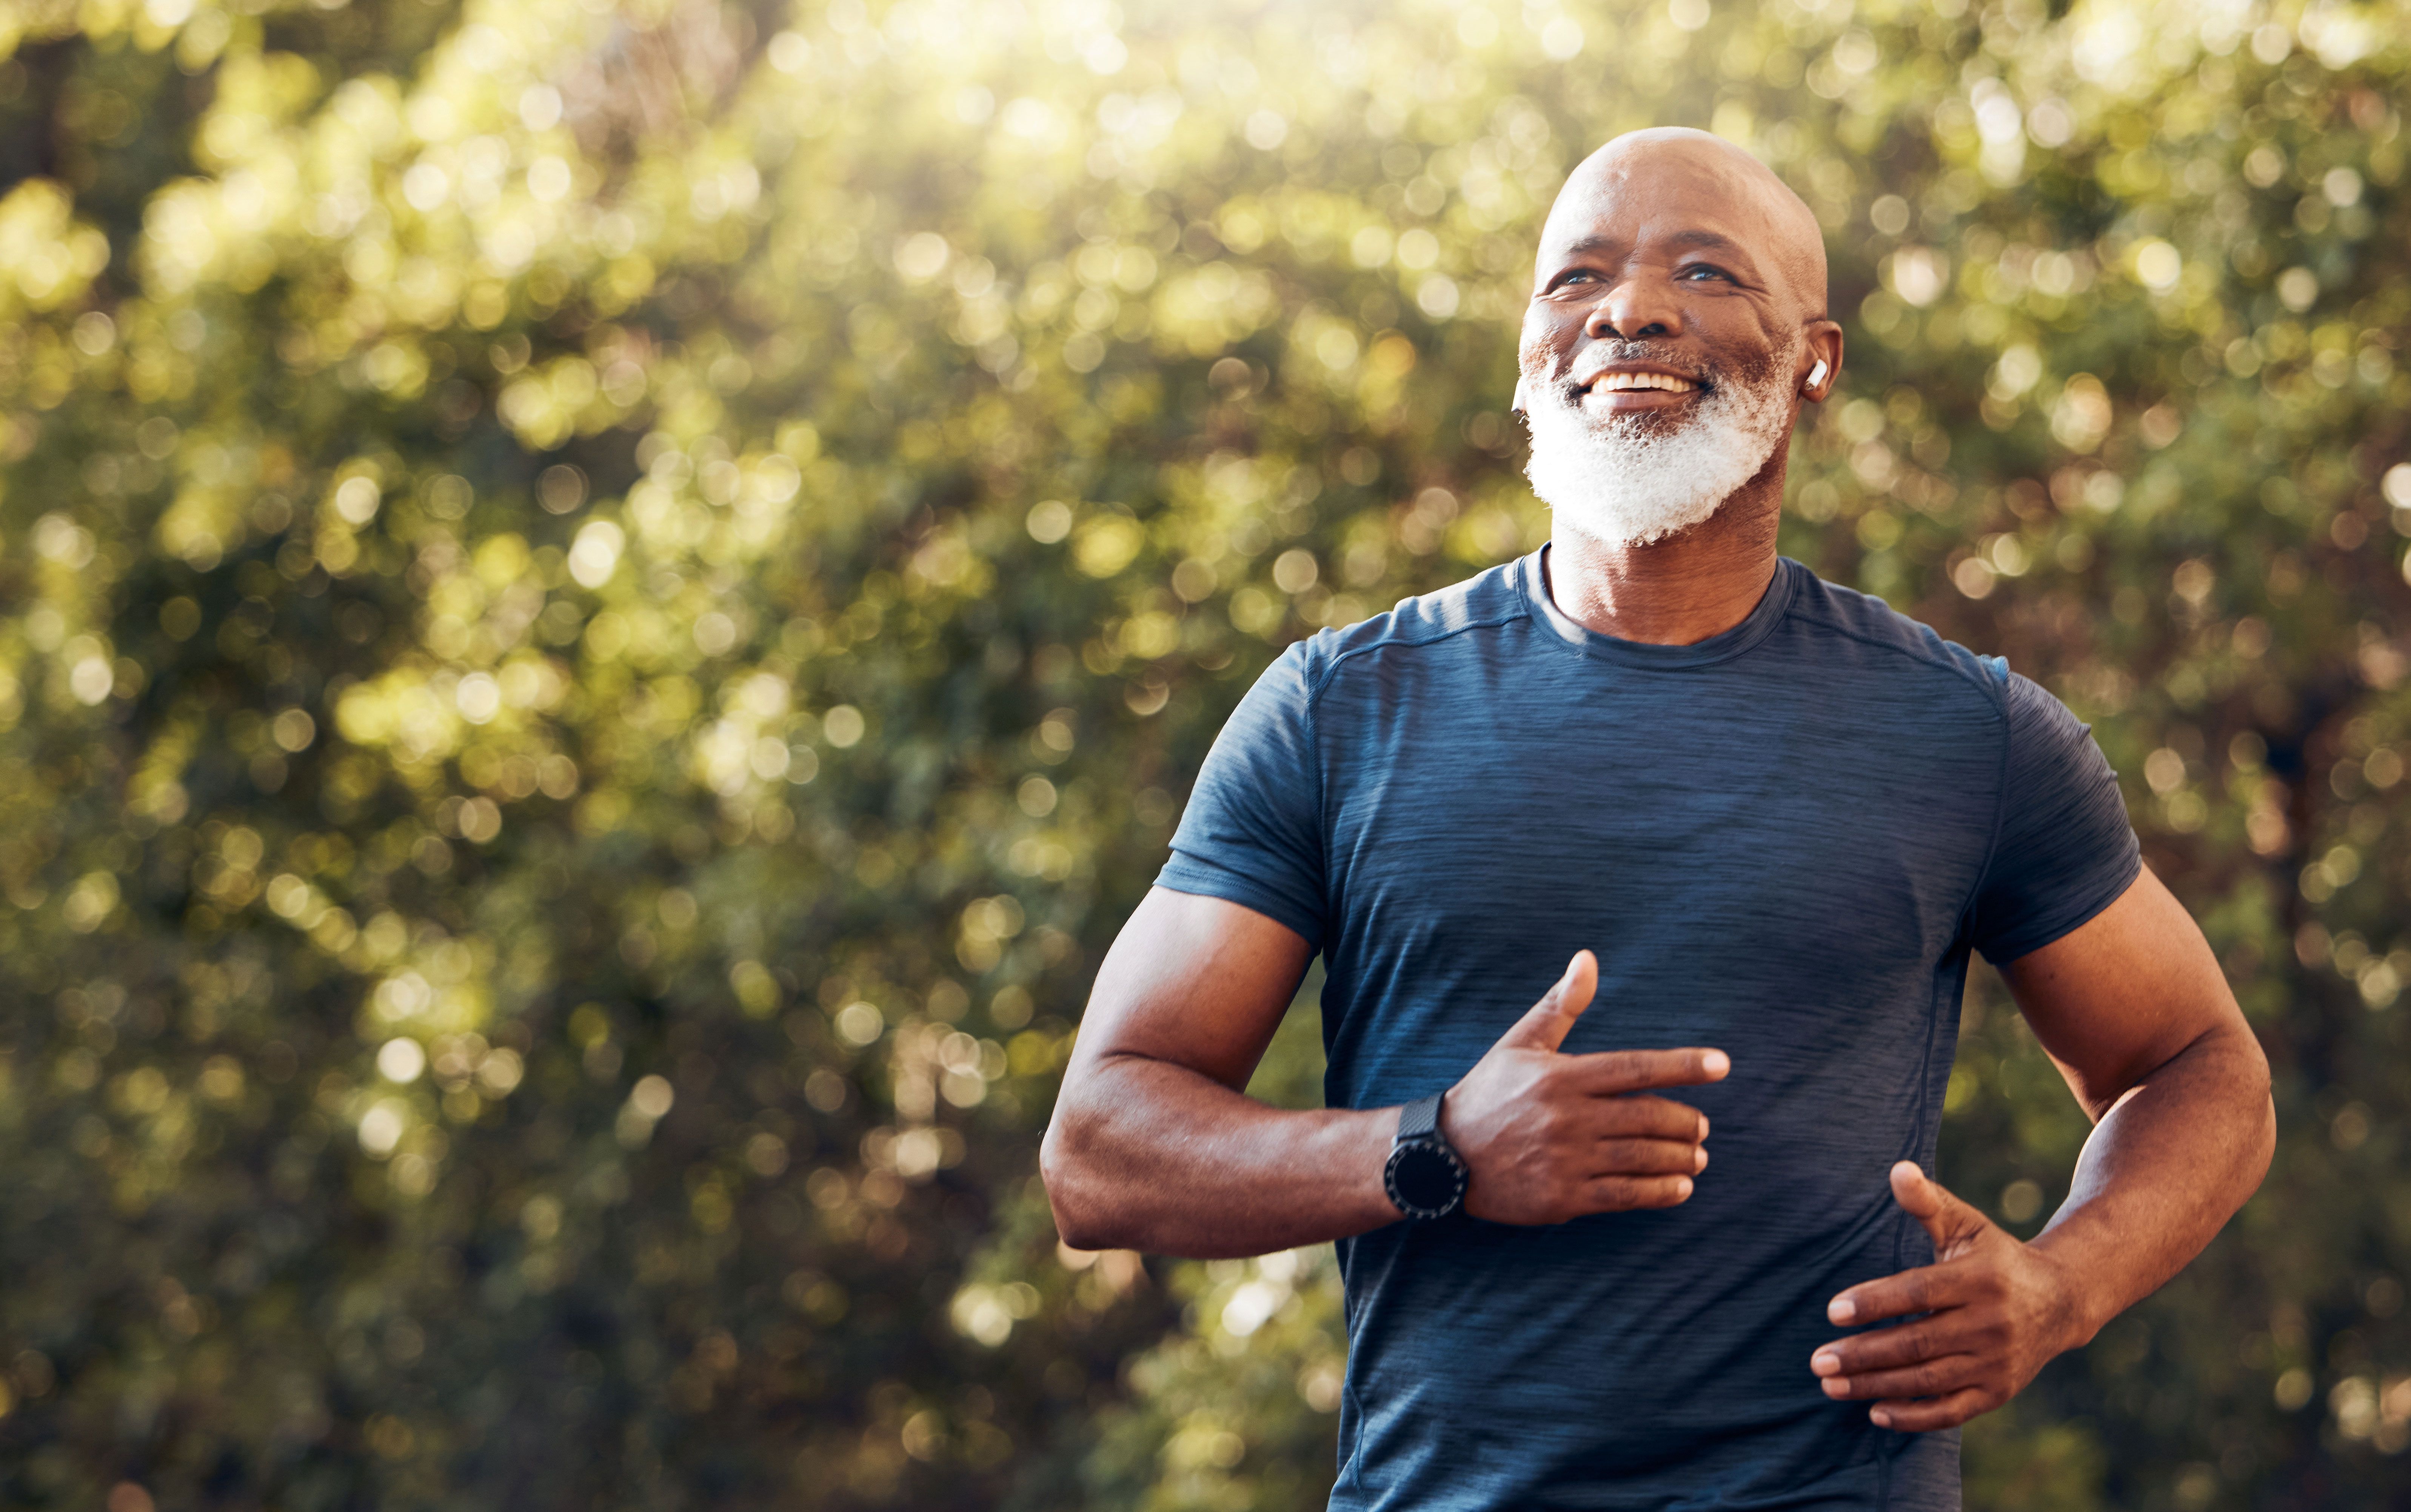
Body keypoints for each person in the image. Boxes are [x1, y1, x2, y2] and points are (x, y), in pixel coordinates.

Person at [1040, 128, 2274, 1511]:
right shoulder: (1340, 712)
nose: (1630, 309)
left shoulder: (1966, 732)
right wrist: (1434, 1149)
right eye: (1578, 277)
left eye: (1705, 271)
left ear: (1815, 357)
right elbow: (1099, 1153)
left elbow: (2196, 1063)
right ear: (1529, 348)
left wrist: (2062, 1287)